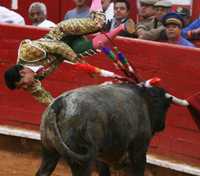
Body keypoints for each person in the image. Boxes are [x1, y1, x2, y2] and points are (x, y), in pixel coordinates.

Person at [4, 0, 135, 105]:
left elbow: (59, 47)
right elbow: (46, 99)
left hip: (64, 32)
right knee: (96, 46)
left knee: (97, 23)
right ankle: (122, 27)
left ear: (22, 72)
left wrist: (81, 64)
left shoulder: (28, 52)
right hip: (67, 50)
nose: (25, 87)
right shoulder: (30, 83)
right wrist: (58, 108)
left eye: (22, 84)